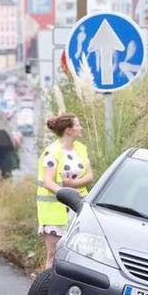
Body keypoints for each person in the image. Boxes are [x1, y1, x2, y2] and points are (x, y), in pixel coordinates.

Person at [37, 113, 93, 270]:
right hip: (54, 212)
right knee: (53, 255)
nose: (80, 127)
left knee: (78, 255)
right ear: (68, 130)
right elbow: (48, 181)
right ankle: (45, 290)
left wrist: (73, 183)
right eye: (77, 125)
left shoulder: (81, 149)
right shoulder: (52, 152)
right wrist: (65, 193)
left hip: (78, 209)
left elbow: (89, 176)